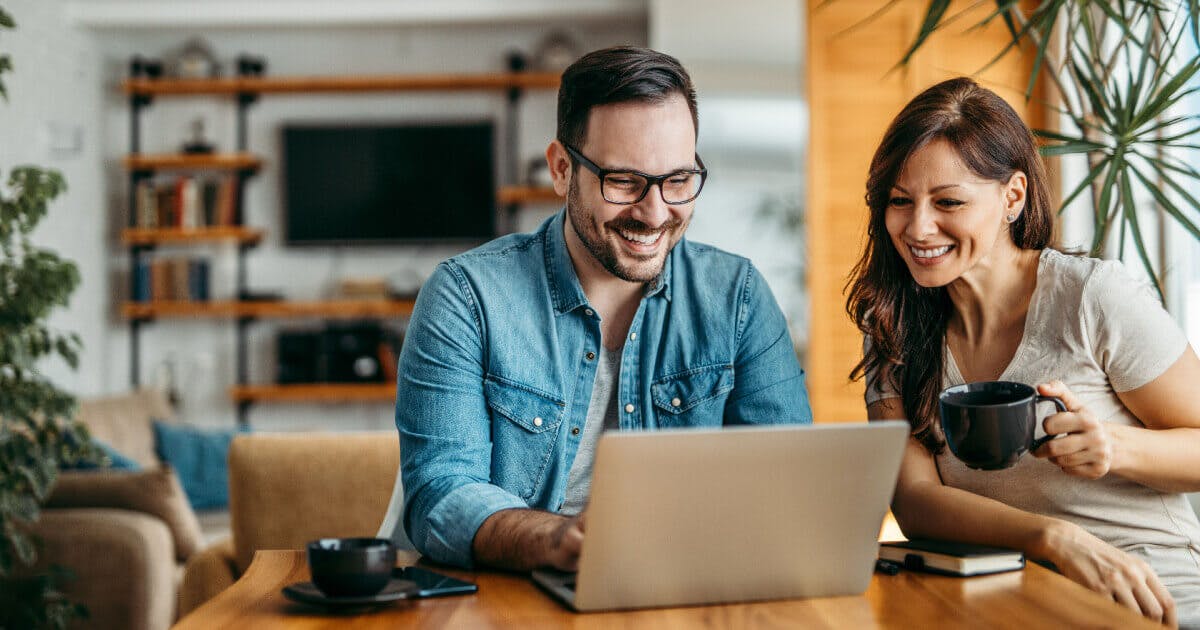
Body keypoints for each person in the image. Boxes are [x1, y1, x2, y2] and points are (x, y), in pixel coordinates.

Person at [388, 46, 813, 572]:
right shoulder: (467, 297)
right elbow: (441, 496)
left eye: (677, 180)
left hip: (687, 584)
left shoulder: (738, 298)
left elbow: (789, 482)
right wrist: (557, 540)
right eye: (624, 182)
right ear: (562, 169)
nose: (655, 213)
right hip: (517, 592)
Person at [848, 76, 1200, 627]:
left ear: (1013, 196)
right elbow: (915, 502)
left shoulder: (1091, 297)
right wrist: (1055, 539)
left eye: (948, 202)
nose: (918, 227)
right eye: (899, 201)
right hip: (1012, 591)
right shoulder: (891, 325)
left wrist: (1114, 447)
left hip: (1149, 589)